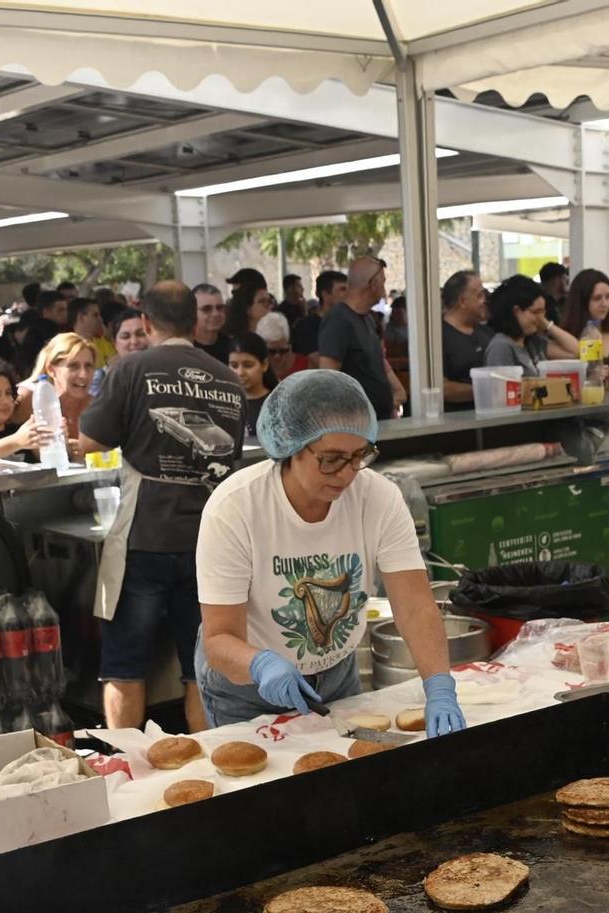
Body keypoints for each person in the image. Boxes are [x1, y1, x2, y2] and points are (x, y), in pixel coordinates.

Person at [195, 370, 466, 735]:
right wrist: (262, 666)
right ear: (291, 446)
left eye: (359, 455)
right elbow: (218, 640)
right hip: (248, 688)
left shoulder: (379, 499)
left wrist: (438, 686)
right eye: (331, 458)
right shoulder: (236, 508)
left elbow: (415, 607)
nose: (347, 473)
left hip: (337, 676)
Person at [78, 281, 246, 734]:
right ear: (195, 322)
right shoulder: (228, 378)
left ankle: (124, 775)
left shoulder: (131, 369)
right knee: (202, 668)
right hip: (209, 543)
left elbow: (91, 441)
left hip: (143, 539)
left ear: (147, 322)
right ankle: (211, 770)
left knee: (124, 667)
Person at [316, 256, 405, 420]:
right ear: (373, 284)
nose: (385, 289)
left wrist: (397, 389)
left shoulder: (367, 318)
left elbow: (377, 359)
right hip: (357, 426)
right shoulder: (339, 320)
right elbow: (328, 378)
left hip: (379, 420)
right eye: (383, 282)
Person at [482, 274, 581, 375]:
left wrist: (547, 325)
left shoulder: (532, 342)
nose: (541, 317)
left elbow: (575, 352)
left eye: (543, 312)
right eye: (536, 312)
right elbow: (501, 387)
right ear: (517, 311)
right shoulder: (501, 347)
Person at [17, 332, 98, 448]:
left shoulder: (97, 406)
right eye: (73, 366)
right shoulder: (29, 398)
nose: (83, 375)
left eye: (88, 366)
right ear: (51, 370)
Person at [438, 270, 493, 410]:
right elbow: (442, 388)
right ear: (462, 301)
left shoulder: (488, 333)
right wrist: (488, 388)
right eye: (479, 295)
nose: (485, 300)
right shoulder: (437, 338)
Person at [228, 331, 274, 440]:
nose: (240, 372)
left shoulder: (276, 403)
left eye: (248, 365)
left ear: (264, 365)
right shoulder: (224, 401)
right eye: (234, 366)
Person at [293, 270, 346, 360]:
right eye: (342, 289)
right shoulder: (307, 326)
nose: (347, 294)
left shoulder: (349, 323)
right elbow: (318, 361)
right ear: (325, 295)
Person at [67, 298, 113, 367]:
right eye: (95, 315)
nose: (100, 319)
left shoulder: (105, 343)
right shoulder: (67, 347)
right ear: (81, 318)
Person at [192, 283, 230, 363]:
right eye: (207, 309)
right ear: (192, 312)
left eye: (219, 308)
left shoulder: (232, 347)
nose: (215, 314)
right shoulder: (185, 347)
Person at [255, 311, 296, 385]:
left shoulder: (305, 366)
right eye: (271, 351)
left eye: (283, 351)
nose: (277, 356)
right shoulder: (253, 370)